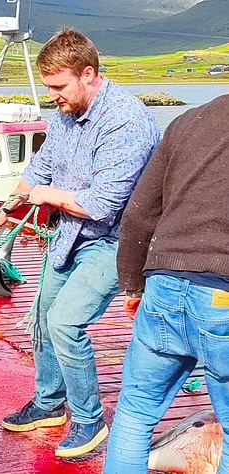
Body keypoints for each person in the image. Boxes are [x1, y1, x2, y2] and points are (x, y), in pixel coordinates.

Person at [0, 28, 160, 458]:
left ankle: (90, 421)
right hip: (69, 235)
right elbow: (42, 165)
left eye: (58, 86)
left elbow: (104, 204)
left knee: (66, 322)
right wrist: (10, 204)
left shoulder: (125, 121)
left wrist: (46, 196)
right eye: (47, 86)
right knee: (43, 318)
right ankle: (50, 404)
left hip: (115, 241)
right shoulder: (65, 113)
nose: (52, 96)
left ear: (88, 74)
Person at [103, 95, 229, 473]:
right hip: (222, 294)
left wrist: (133, 286)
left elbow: (139, 213)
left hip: (164, 285)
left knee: (136, 413)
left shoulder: (190, 121)